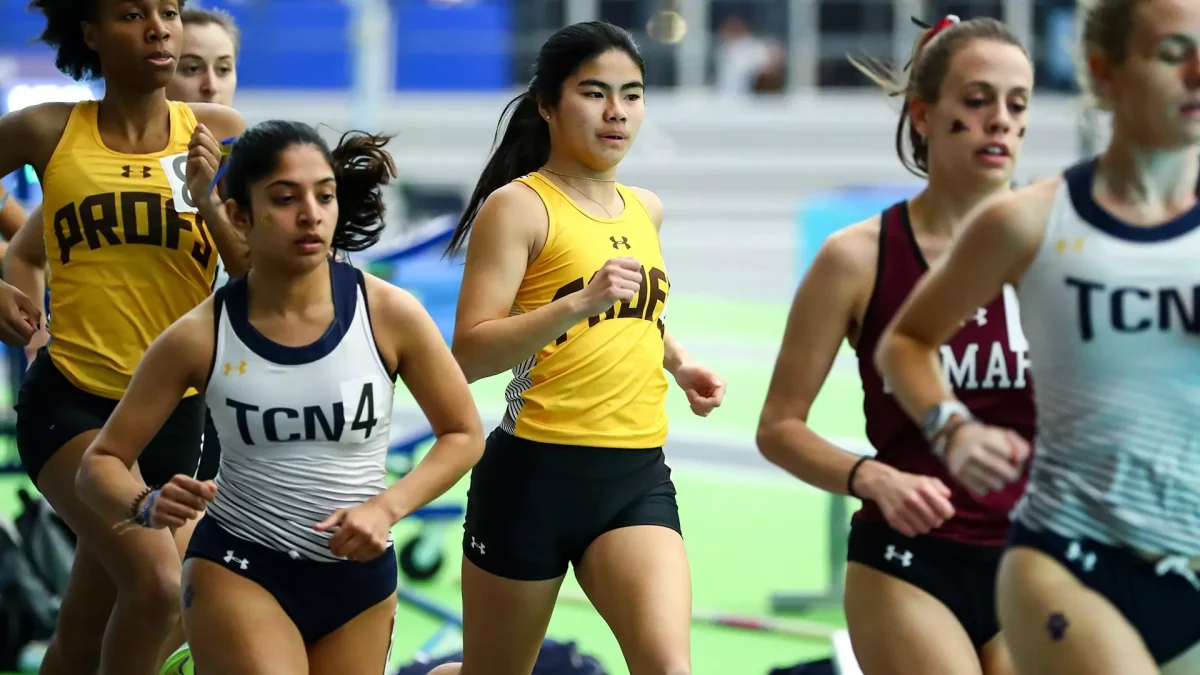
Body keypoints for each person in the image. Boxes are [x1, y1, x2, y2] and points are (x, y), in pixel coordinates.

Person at [76, 119, 486, 675]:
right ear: (238, 215)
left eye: (324, 195)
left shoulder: (390, 314)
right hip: (240, 567)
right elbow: (100, 463)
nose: (311, 214)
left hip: (358, 578)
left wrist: (387, 508)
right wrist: (145, 504)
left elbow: (462, 434)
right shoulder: (200, 335)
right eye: (285, 198)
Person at [875, 0, 1200, 673]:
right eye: (1172, 52)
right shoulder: (1027, 222)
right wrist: (953, 428)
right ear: (1104, 73)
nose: (1197, 73)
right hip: (1068, 561)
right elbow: (906, 342)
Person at [428, 21, 725, 675]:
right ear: (548, 104)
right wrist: (575, 302)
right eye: (594, 92)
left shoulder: (645, 208)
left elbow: (636, 310)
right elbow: (470, 355)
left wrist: (680, 362)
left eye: (632, 93)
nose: (617, 111)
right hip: (533, 478)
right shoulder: (520, 208)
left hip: (634, 477)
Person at [756, 16, 1033, 675]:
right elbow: (778, 426)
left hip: (1034, 560)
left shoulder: (1058, 248)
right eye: (977, 99)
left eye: (1017, 104)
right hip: (909, 561)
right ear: (924, 113)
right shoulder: (857, 258)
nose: (1000, 120)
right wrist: (872, 477)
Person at [0, 1, 248, 673]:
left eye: (167, 11)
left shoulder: (222, 136)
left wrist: (210, 204)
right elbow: (22, 250)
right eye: (133, 13)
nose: (158, 27)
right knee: (160, 586)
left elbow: (264, 276)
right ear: (90, 31)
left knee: (84, 631)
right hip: (72, 406)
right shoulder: (45, 130)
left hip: (175, 415)